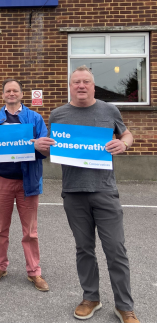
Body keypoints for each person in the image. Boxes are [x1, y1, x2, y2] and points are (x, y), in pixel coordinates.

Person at [34, 65, 139, 323]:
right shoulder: (58, 114)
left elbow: (126, 133)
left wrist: (123, 143)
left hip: (105, 190)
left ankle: (124, 306)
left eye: (86, 82)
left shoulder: (108, 110)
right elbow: (53, 149)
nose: (81, 86)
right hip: (73, 192)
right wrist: (39, 146)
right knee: (84, 249)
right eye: (76, 82)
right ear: (71, 86)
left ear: (93, 86)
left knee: (116, 249)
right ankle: (91, 297)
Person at [0, 78, 49, 292]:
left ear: (21, 94)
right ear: (3, 95)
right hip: (1, 180)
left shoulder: (35, 118)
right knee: (1, 228)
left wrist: (40, 146)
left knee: (30, 231)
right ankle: (0, 266)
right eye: (8, 91)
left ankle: (34, 271)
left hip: (27, 181)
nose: (12, 94)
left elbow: (46, 150)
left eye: (15, 90)